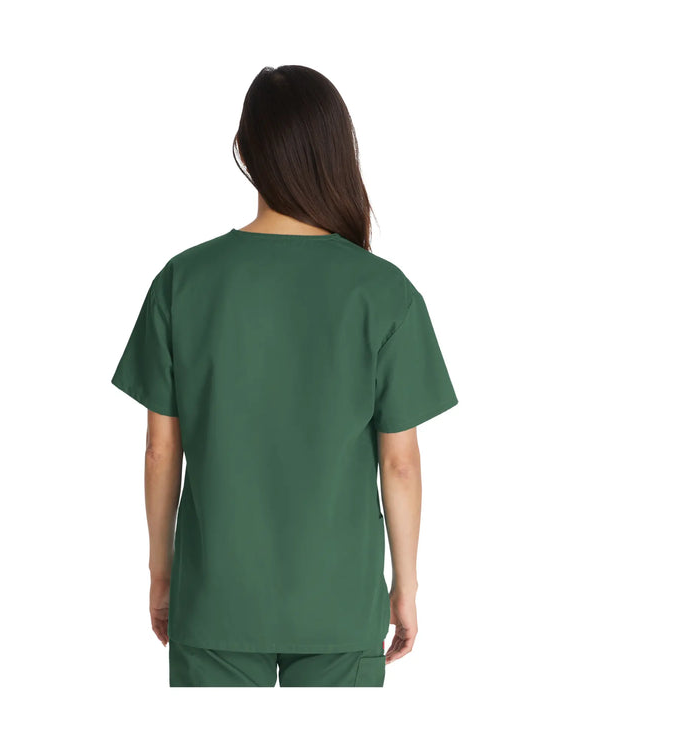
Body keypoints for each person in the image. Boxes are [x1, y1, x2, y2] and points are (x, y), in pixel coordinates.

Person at [111, 65, 458, 688]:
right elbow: (400, 463)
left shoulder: (182, 282)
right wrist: (405, 587)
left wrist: (162, 575)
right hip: (339, 604)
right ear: (336, 152)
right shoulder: (384, 293)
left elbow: (162, 449)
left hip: (215, 600)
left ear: (246, 150)